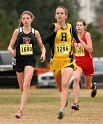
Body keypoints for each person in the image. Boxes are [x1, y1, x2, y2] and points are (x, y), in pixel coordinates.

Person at [42, 6, 81, 120]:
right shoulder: (52, 27)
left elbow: (76, 37)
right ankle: (66, 94)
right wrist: (54, 32)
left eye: (61, 13)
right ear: (55, 16)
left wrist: (78, 43)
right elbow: (44, 41)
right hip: (55, 61)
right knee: (60, 87)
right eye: (57, 13)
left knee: (64, 84)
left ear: (66, 16)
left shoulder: (70, 27)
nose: (59, 15)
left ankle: (61, 110)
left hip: (67, 60)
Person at [8, 11, 46, 119]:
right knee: (22, 88)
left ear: (31, 19)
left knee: (26, 84)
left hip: (30, 60)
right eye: (23, 19)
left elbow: (42, 47)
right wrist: (12, 52)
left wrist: (43, 53)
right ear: (22, 20)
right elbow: (9, 47)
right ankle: (24, 100)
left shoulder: (35, 33)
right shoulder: (17, 31)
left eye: (27, 18)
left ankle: (20, 111)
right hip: (19, 60)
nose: (25, 20)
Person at [71, 19, 97, 111]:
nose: (78, 27)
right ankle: (76, 103)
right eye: (77, 25)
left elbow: (90, 49)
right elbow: (70, 46)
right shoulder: (73, 36)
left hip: (88, 62)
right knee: (76, 78)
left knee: (87, 86)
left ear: (84, 26)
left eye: (80, 25)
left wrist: (81, 42)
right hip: (78, 61)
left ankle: (93, 86)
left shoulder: (87, 34)